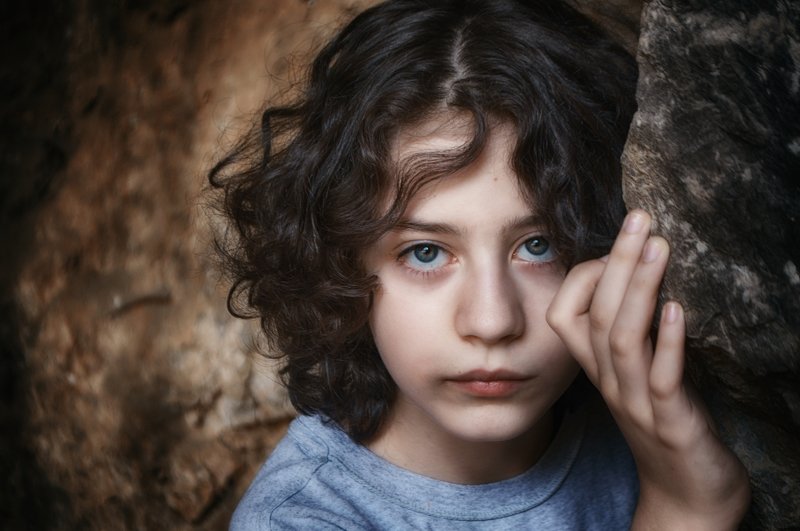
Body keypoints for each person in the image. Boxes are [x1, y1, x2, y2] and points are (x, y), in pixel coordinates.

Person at [210, 0, 751, 528]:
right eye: (426, 252)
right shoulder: (298, 519)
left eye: (539, 246)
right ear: (338, 266)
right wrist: (685, 510)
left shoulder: (653, 427)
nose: (492, 322)